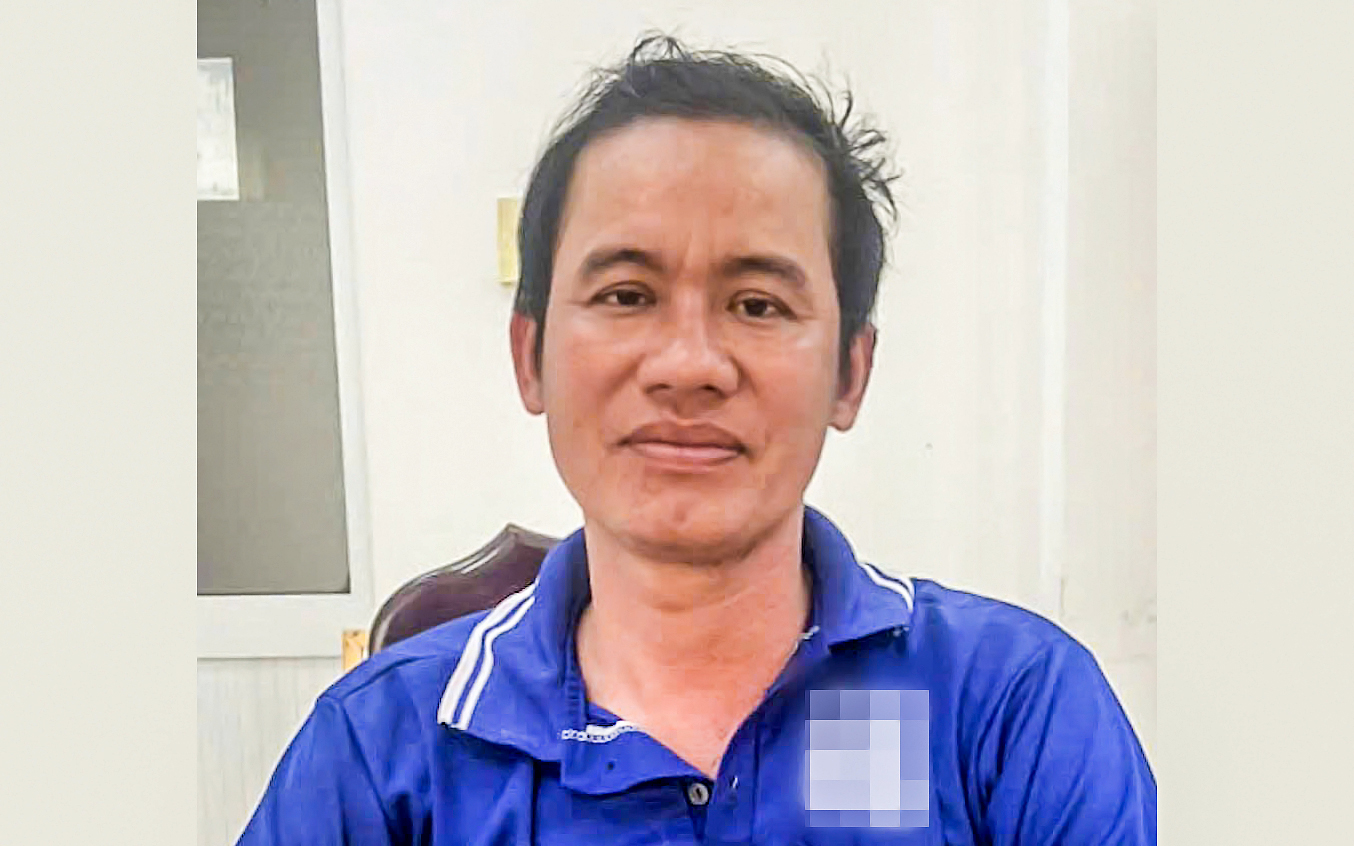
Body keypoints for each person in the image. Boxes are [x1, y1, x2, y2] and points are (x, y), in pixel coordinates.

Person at [239, 34, 1155, 845]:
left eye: (757, 304)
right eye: (626, 295)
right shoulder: (383, 749)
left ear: (850, 373)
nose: (688, 365)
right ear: (531, 358)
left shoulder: (1011, 713)